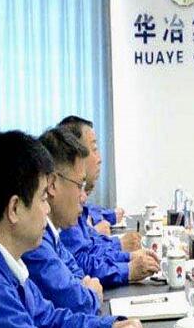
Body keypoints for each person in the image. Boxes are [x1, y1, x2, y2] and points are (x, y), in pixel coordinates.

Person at [0, 131, 145, 328]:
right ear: (15, 208)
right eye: (43, 198)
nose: (47, 208)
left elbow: (49, 320)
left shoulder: (6, 261)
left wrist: (109, 326)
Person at [58, 117, 158, 287]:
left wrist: (128, 257)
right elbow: (82, 265)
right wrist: (128, 267)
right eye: (94, 149)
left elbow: (91, 248)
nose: (99, 159)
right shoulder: (64, 213)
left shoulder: (74, 205)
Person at [21, 128, 102, 314]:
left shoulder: (52, 234)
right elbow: (78, 301)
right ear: (52, 185)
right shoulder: (34, 241)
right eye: (79, 185)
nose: (84, 197)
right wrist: (90, 294)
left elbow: (78, 273)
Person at [58, 115, 139, 249]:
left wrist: (110, 217)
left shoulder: (77, 203)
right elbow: (82, 255)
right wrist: (119, 246)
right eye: (94, 149)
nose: (99, 159)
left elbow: (92, 211)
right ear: (77, 154)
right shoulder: (66, 210)